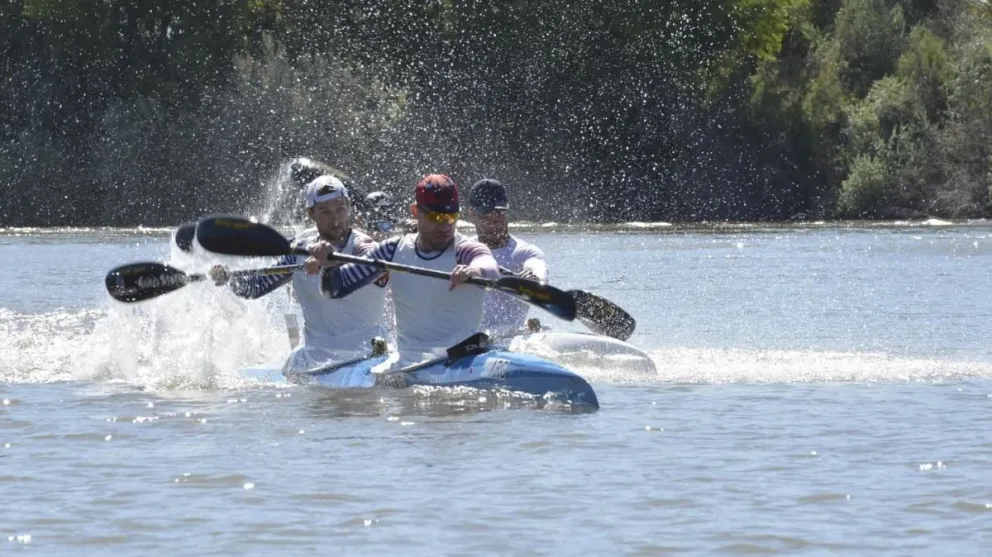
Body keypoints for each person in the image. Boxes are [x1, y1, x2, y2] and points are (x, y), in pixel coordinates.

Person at [208, 175, 389, 371]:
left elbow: (372, 264)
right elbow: (255, 287)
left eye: (340, 209)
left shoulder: (362, 245)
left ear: (349, 206)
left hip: (367, 354)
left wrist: (330, 265)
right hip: (315, 357)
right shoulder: (298, 249)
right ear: (311, 213)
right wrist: (229, 278)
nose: (335, 218)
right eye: (325, 212)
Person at [317, 174, 499, 365]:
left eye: (452, 216)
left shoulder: (465, 249)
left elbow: (488, 265)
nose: (446, 225)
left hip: (464, 356)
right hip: (411, 364)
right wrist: (329, 268)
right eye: (436, 216)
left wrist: (474, 271)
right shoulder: (391, 250)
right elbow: (335, 290)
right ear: (415, 211)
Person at [466, 179, 548, 335]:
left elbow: (538, 268)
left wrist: (536, 279)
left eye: (500, 214)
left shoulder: (524, 252)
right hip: (469, 340)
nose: (494, 222)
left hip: (512, 340)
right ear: (472, 215)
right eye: (486, 215)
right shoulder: (462, 249)